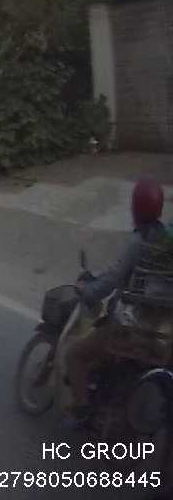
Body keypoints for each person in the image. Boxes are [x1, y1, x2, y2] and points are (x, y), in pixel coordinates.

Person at [62, 176, 167, 420]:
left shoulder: (138, 242)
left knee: (74, 354)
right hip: (158, 333)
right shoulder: (165, 241)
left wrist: (88, 291)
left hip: (128, 328)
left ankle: (82, 407)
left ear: (135, 206)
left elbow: (113, 279)